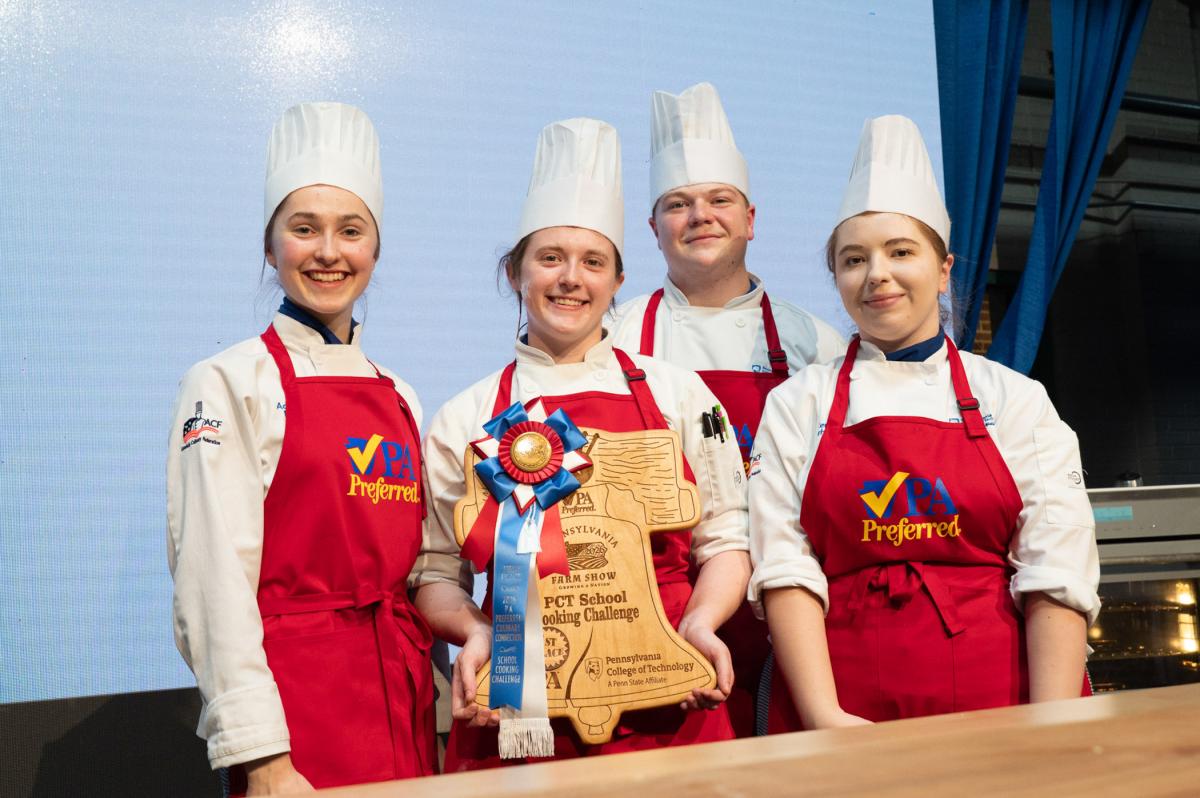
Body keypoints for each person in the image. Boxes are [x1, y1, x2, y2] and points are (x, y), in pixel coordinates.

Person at [413, 117, 750, 769]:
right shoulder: (465, 415)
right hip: (521, 706)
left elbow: (726, 539)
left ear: (617, 280)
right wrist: (478, 633)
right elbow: (435, 572)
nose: (571, 279)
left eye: (593, 262)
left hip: (670, 696)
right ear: (515, 272)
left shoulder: (681, 395)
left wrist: (700, 626)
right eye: (550, 259)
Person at [749, 115, 1100, 731]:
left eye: (901, 251)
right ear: (837, 277)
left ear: (943, 270)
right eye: (853, 259)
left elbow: (1056, 569)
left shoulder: (1015, 399)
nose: (876, 273)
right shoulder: (797, 403)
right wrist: (826, 718)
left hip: (1008, 708)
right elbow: (787, 567)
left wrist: (1053, 729)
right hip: (840, 712)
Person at [167, 102, 434, 794]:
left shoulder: (400, 394)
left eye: (351, 231)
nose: (327, 252)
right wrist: (263, 759)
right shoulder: (229, 380)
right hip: (298, 721)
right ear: (269, 245)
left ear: (374, 249)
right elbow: (212, 580)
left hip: (402, 706)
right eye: (303, 229)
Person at [610, 81, 843, 736]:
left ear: (750, 217)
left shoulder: (814, 344)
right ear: (653, 228)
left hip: (800, 607)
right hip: (660, 616)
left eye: (719, 200)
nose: (699, 216)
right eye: (677, 205)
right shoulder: (614, 341)